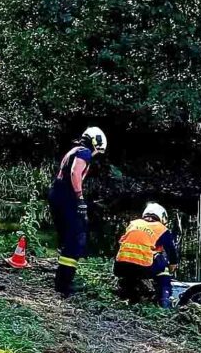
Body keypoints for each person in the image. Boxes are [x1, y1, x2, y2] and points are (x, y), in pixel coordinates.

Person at [48, 126, 106, 296]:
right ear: (96, 143)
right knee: (76, 239)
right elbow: (75, 173)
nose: (96, 155)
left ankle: (62, 280)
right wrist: (80, 198)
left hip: (57, 194)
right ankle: (64, 284)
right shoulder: (85, 153)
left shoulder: (74, 150)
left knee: (68, 239)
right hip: (67, 197)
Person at [114, 202, 179, 308]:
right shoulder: (161, 229)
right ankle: (164, 300)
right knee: (164, 267)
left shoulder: (133, 224)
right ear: (162, 217)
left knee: (132, 272)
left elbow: (121, 243)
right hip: (142, 268)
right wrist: (172, 266)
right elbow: (171, 252)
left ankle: (130, 296)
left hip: (119, 267)